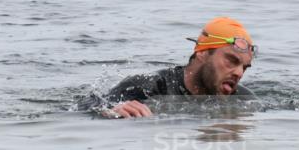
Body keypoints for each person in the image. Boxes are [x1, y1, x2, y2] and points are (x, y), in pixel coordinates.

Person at [87, 17, 257, 119]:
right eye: (231, 61)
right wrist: (111, 112)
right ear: (202, 53)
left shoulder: (244, 100)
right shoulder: (149, 86)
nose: (239, 73)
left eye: (244, 67)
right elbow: (86, 107)